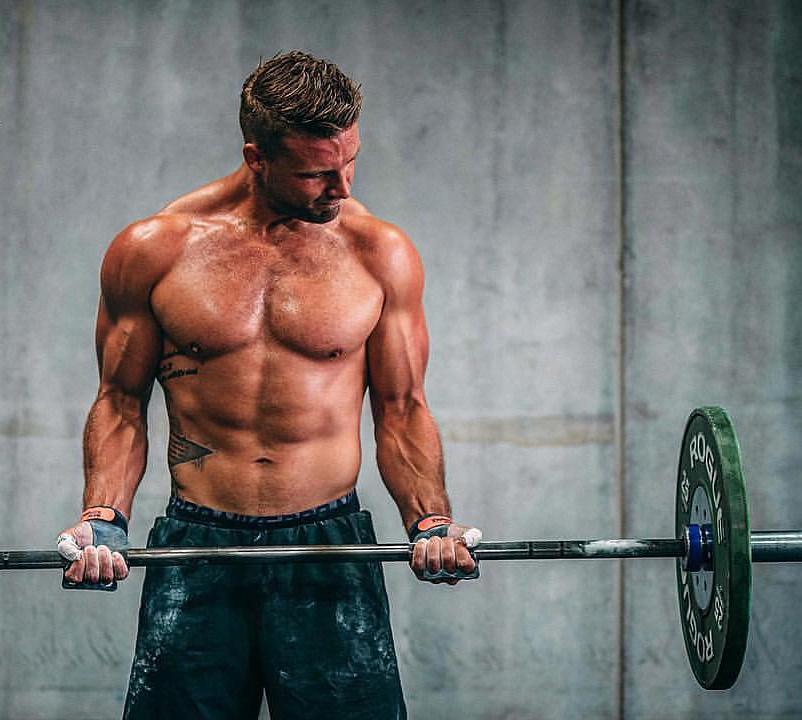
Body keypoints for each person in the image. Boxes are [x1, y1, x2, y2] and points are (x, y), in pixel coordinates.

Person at [55, 50, 481, 720]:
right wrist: (102, 516)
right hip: (198, 546)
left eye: (350, 163)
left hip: (328, 547)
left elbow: (401, 409)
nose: (340, 188)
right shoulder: (155, 249)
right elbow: (120, 402)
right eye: (317, 174)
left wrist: (428, 518)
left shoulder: (379, 253)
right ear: (257, 159)